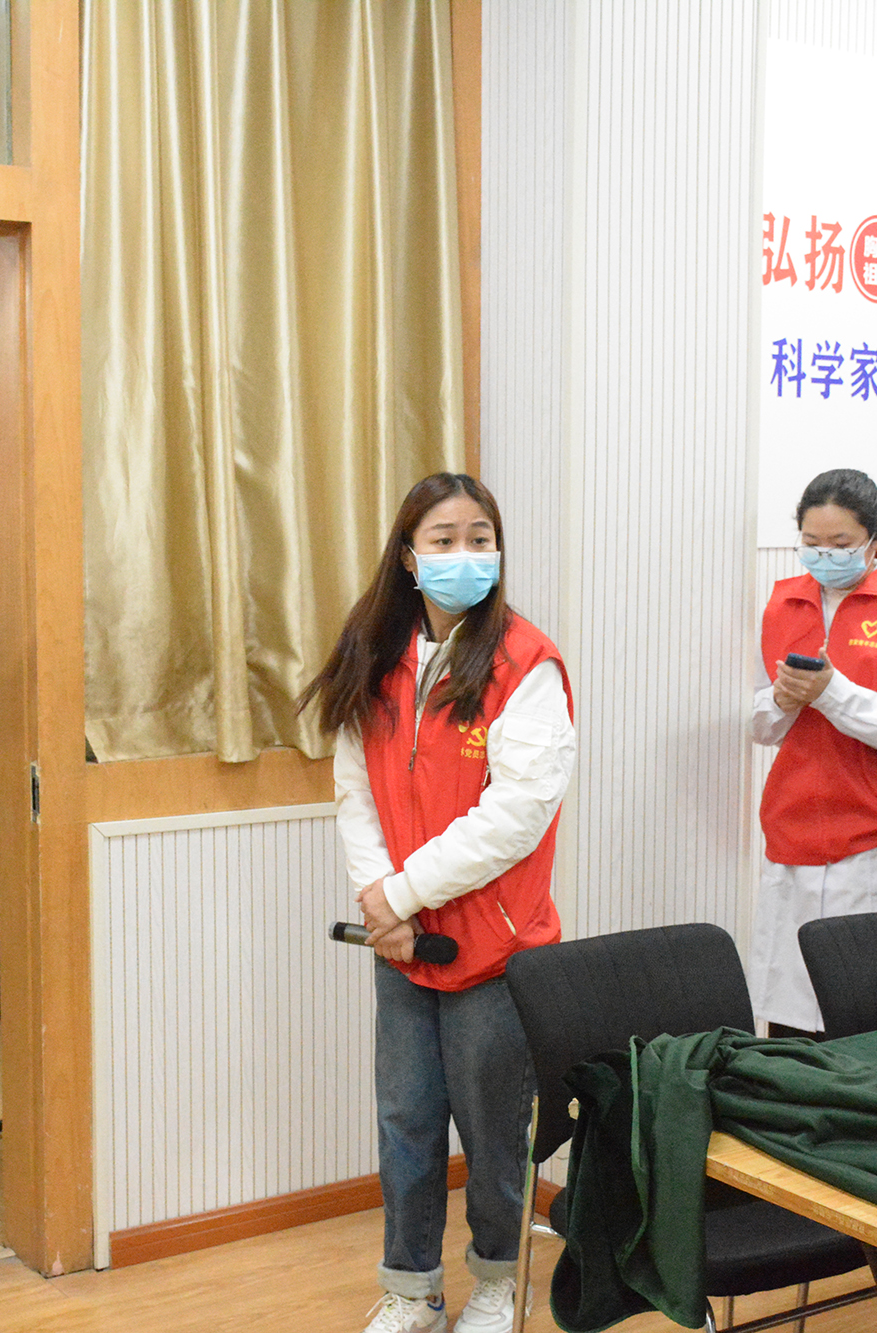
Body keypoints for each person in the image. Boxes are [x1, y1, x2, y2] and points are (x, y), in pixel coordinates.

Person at [300, 473, 577, 1333]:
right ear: (409, 558)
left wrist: (400, 894)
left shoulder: (526, 663)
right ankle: (413, 1288)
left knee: (494, 1132)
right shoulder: (377, 654)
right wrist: (383, 904)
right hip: (402, 945)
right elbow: (354, 788)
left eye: (480, 538)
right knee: (406, 1122)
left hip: (495, 950)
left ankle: (497, 1282)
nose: (466, 555)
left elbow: (516, 816)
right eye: (445, 539)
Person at [749, 469, 877, 1038]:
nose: (825, 556)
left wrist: (831, 692)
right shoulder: (783, 604)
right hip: (795, 830)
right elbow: (761, 726)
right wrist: (782, 699)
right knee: (793, 1025)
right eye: (811, 542)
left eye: (840, 544)